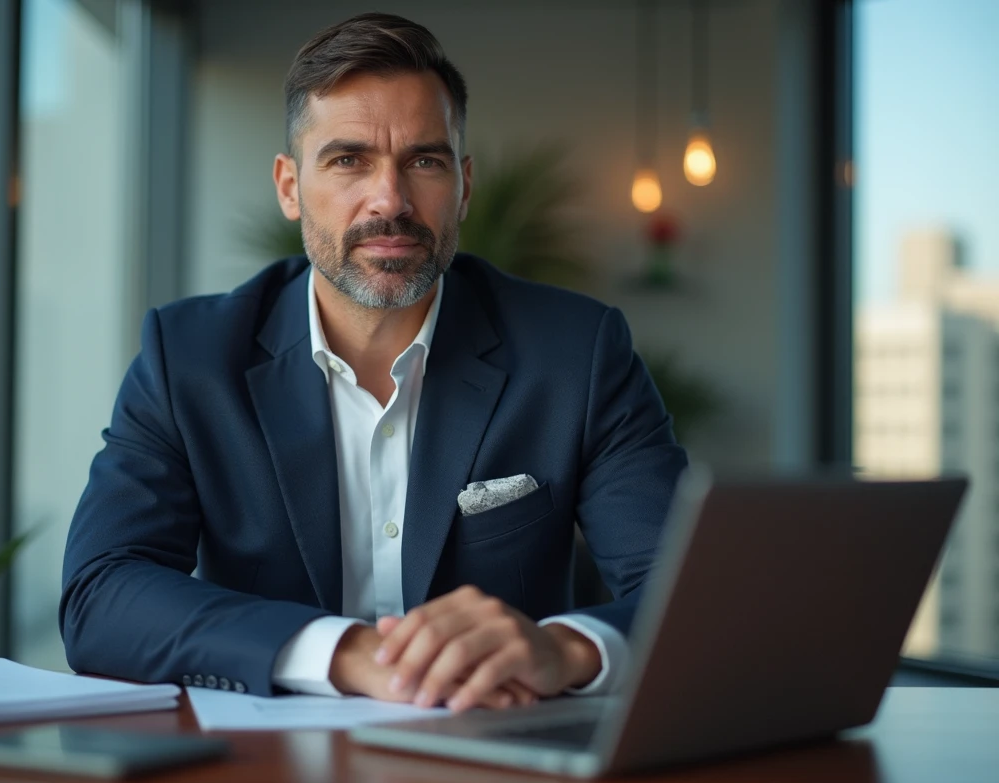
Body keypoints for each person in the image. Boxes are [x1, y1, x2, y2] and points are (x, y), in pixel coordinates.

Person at [60, 12, 687, 713]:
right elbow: (102, 592)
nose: (390, 200)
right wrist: (345, 653)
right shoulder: (188, 360)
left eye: (424, 160)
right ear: (290, 185)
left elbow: (691, 590)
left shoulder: (578, 352)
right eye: (349, 159)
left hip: (498, 759)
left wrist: (565, 649)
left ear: (464, 185)